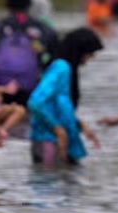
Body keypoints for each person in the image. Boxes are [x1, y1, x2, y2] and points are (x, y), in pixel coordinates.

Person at [27, 28, 103, 166]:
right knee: (49, 184)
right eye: (89, 54)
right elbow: (36, 102)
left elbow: (59, 106)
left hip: (57, 141)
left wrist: (79, 124)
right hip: (49, 140)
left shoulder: (64, 69)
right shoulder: (62, 68)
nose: (88, 60)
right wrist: (57, 129)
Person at [0, 0, 59, 108]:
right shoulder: (47, 31)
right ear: (30, 3)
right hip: (33, 91)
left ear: (6, 2)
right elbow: (55, 63)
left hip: (0, 91)